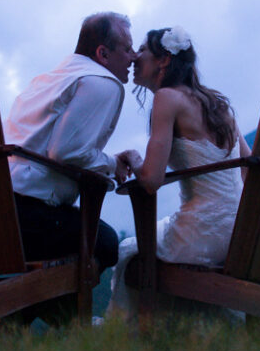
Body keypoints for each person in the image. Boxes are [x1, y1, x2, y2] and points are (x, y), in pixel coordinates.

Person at [107, 26, 251, 318]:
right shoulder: (219, 104)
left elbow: (151, 180)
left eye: (144, 49)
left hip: (203, 234)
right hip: (241, 232)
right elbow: (248, 166)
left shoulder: (168, 98)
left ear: (163, 60)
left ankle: (131, 337)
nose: (135, 56)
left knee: (128, 251)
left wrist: (133, 158)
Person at [3, 12, 135, 321]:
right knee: (104, 242)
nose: (133, 57)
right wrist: (113, 164)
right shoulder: (103, 83)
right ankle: (64, 322)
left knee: (84, 239)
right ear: (103, 53)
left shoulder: (52, 77)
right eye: (126, 49)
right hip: (28, 214)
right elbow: (65, 151)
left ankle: (55, 322)